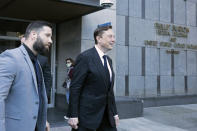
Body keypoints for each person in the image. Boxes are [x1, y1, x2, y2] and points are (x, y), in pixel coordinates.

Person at [0, 20, 53, 131]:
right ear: (34, 34)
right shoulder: (11, 57)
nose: (51, 41)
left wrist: (42, 121)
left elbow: (35, 97)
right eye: (47, 35)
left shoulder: (36, 61)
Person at [67, 22, 119, 131]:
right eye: (110, 36)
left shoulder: (108, 60)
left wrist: (114, 113)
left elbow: (109, 91)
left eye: (114, 37)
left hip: (107, 117)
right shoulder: (85, 57)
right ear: (99, 39)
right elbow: (75, 87)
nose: (113, 40)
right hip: (87, 118)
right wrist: (73, 115)